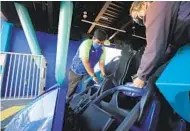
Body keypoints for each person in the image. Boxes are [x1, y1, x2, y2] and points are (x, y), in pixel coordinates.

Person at [130, 1, 190, 88]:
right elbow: (168, 47)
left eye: (138, 16)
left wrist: (141, 77)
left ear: (144, 4)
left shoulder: (155, 7)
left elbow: (154, 47)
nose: (140, 21)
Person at [67, 29, 107, 98]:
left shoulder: (102, 49)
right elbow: (85, 62)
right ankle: (67, 102)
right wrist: (93, 76)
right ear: (93, 38)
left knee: (87, 88)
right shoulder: (86, 44)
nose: (100, 45)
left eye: (102, 43)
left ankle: (82, 103)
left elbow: (101, 63)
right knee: (72, 88)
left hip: (88, 71)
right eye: (98, 42)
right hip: (76, 70)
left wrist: (103, 74)